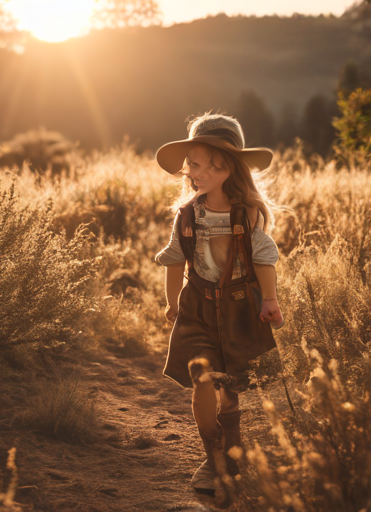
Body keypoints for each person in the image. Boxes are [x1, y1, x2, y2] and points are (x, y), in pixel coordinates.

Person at [154, 112, 284, 499]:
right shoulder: (187, 215)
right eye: (195, 163)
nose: (202, 171)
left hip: (241, 306)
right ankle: (213, 458)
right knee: (201, 379)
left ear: (233, 168)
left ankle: (232, 446)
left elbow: (264, 258)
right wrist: (172, 301)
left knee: (231, 384)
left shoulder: (249, 213)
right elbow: (175, 257)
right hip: (197, 305)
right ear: (186, 167)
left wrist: (271, 299)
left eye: (215, 164)